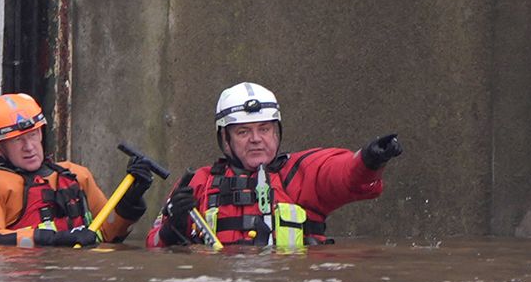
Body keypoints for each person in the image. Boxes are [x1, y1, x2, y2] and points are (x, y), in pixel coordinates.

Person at [148, 82, 401, 249]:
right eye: (243, 132)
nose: (256, 139)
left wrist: (370, 159)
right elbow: (154, 244)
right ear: (225, 139)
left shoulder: (300, 173)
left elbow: (346, 175)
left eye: (264, 129)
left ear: (276, 133)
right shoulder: (197, 184)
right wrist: (174, 229)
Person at [0, 93, 154, 246]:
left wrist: (130, 201)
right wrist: (53, 239)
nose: (29, 147)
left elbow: (109, 235)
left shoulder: (75, 175)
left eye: (33, 135)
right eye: (17, 140)